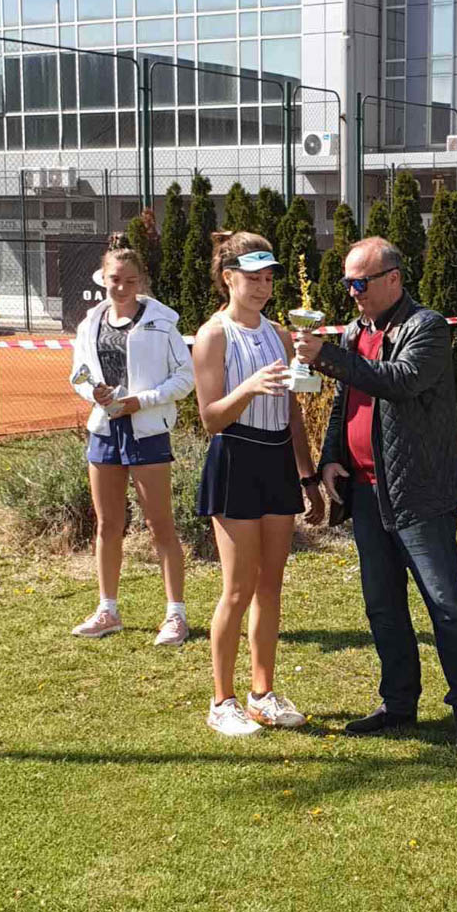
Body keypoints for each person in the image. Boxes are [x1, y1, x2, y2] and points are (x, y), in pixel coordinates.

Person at [294, 236, 457, 752]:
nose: (352, 292)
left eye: (361, 282)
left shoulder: (425, 327)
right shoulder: (357, 330)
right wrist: (331, 455)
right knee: (382, 606)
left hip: (419, 493)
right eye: (347, 283)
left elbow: (398, 380)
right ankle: (399, 704)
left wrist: (329, 356)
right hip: (365, 493)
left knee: (444, 603)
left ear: (393, 279)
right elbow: (345, 401)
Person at [193, 232, 325, 738]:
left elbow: (290, 406)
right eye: (252, 278)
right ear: (229, 278)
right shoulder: (213, 335)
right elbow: (209, 419)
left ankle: (261, 694)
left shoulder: (275, 330)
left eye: (268, 278)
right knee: (237, 588)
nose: (263, 287)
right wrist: (248, 387)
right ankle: (221, 700)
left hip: (275, 462)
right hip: (235, 458)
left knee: (271, 586)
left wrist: (307, 473)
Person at [69, 233, 194, 644]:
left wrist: (143, 401)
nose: (120, 287)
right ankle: (108, 610)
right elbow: (79, 374)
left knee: (161, 525)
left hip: (148, 432)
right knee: (107, 524)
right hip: (104, 430)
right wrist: (95, 394)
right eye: (113, 279)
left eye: (128, 280)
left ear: (141, 282)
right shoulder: (90, 322)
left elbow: (185, 378)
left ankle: (175, 615)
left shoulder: (163, 323)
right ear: (102, 279)